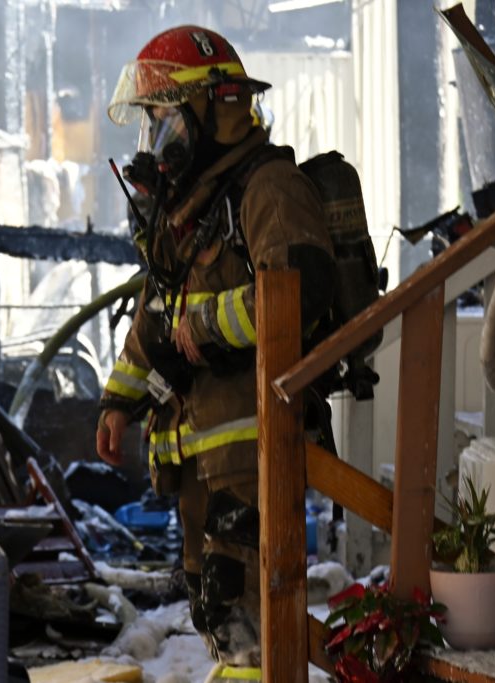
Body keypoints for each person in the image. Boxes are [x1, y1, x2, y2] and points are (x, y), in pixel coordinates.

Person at [96, 26, 336, 670]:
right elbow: (155, 315)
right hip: (200, 454)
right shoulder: (191, 207)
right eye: (152, 124)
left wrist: (203, 326)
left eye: (165, 119)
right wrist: (118, 402)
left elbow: (300, 293)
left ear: (215, 109)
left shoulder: (269, 189)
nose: (157, 138)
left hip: (255, 448)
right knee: (215, 611)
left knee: (246, 607)